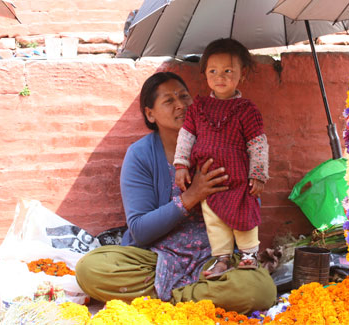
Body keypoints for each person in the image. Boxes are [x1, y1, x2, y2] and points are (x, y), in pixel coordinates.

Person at [75, 71, 276, 314]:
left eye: (184, 97)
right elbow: (139, 230)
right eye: (169, 101)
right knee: (90, 268)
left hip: (214, 261)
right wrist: (192, 196)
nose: (181, 105)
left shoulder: (223, 147)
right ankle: (193, 297)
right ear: (150, 114)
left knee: (260, 290)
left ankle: (168, 297)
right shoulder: (140, 155)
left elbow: (247, 205)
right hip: (156, 260)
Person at [174, 38, 269, 279]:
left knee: (244, 215)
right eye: (213, 71)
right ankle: (222, 259)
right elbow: (186, 137)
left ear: (242, 74)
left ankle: (248, 256)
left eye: (228, 71)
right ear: (205, 73)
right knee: (214, 220)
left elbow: (258, 144)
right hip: (207, 179)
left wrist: (258, 174)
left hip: (238, 179)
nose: (220, 77)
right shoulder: (198, 108)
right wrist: (181, 165)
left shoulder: (247, 110)